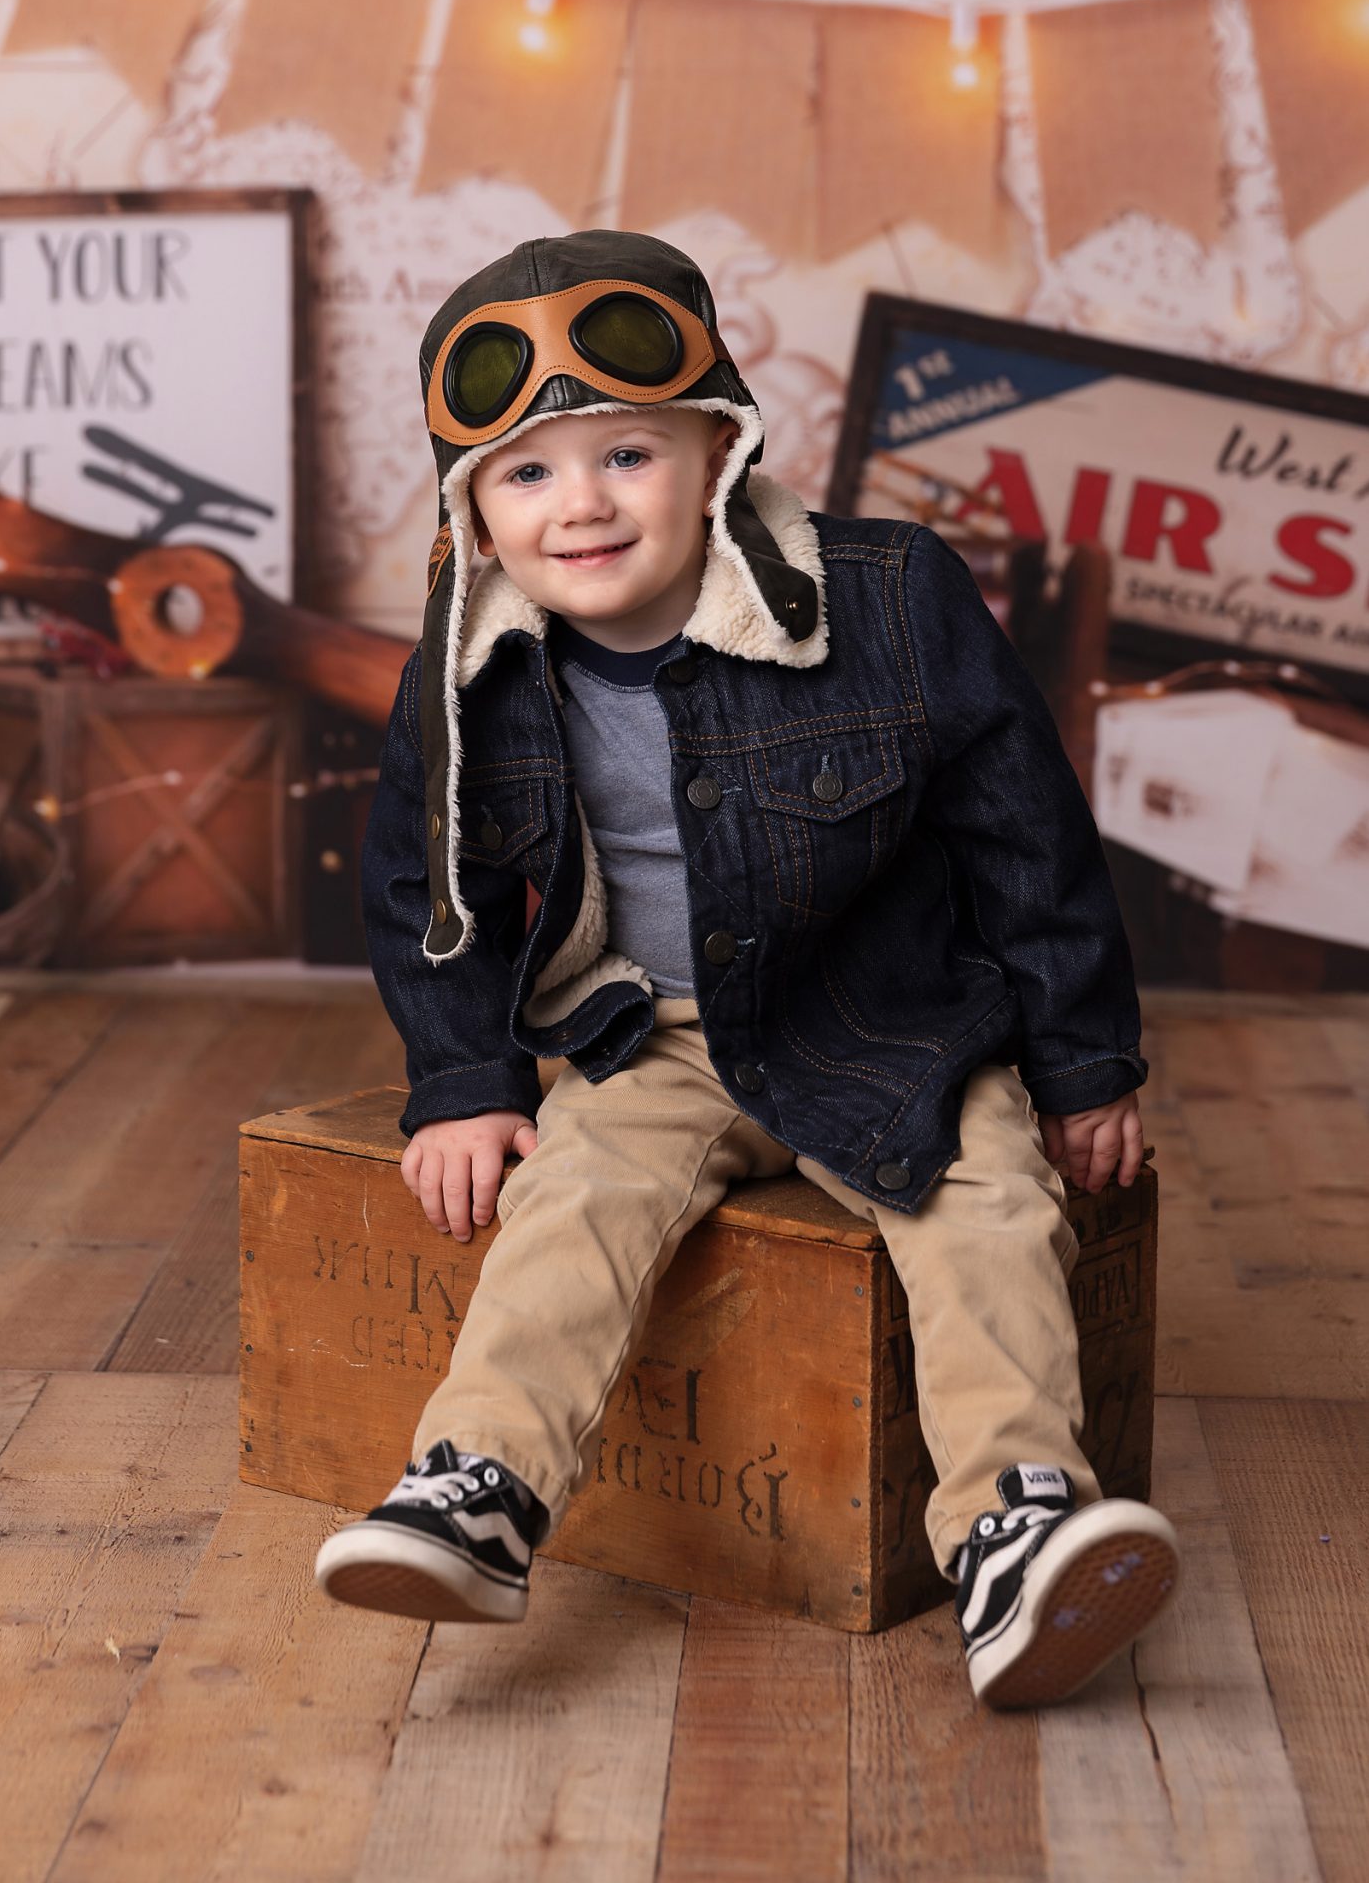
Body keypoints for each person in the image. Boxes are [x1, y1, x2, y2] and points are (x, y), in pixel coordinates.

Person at [315, 229, 1179, 1709]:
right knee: (571, 1204)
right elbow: (427, 881)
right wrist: (461, 1083)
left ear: (719, 451)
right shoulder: (468, 667)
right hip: (645, 1033)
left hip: (892, 1021)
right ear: (472, 516)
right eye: (526, 475)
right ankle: (480, 1490)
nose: (578, 504)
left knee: (989, 1208)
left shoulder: (891, 599)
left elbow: (1027, 832)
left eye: (625, 456)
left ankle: (1013, 1528)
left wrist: (1083, 1065)